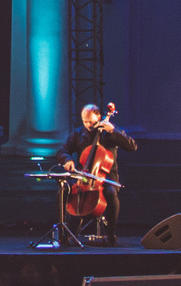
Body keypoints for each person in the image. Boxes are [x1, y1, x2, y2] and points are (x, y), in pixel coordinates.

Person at [59, 102, 138, 241]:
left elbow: (132, 147)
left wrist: (113, 131)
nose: (88, 125)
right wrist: (67, 160)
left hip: (106, 177)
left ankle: (111, 233)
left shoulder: (110, 132)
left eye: (91, 122)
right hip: (83, 177)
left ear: (99, 117)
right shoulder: (78, 133)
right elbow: (62, 150)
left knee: (111, 192)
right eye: (85, 121)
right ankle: (64, 232)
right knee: (63, 190)